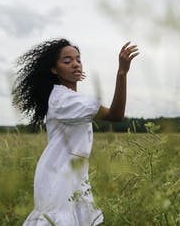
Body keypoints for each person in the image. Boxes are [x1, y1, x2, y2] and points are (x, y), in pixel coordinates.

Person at [12, 38, 139, 226]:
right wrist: (122, 73)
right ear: (54, 69)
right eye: (67, 61)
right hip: (58, 178)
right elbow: (115, 114)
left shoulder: (69, 99)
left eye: (78, 60)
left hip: (73, 176)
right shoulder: (64, 101)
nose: (75, 64)